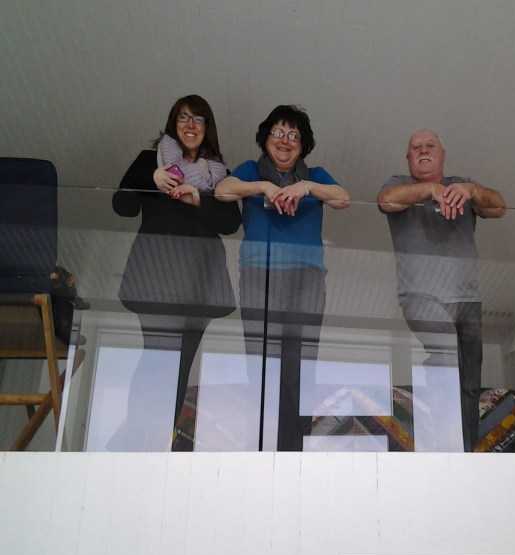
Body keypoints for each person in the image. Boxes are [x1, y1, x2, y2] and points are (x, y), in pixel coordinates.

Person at [215, 104, 349, 451]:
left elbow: (343, 198)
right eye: (279, 132)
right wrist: (263, 187)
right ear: (266, 138)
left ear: (302, 145)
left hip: (307, 277)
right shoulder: (249, 169)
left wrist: (305, 187)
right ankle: (260, 445)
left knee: (301, 366)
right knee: (261, 361)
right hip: (261, 272)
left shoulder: (315, 174)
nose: (285, 140)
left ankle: (292, 450)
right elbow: (222, 191)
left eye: (294, 135)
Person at [112, 95, 241, 451]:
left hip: (200, 279)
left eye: (198, 119)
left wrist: (199, 199)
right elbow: (121, 205)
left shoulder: (218, 174)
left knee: (181, 365)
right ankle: (140, 442)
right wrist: (152, 179)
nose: (190, 124)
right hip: (158, 275)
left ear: (206, 128)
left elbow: (231, 222)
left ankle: (155, 443)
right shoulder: (149, 161)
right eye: (183, 117)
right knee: (158, 358)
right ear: (173, 123)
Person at [377, 129, 506, 452]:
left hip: (468, 300)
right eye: (416, 147)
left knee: (469, 380)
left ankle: (463, 450)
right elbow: (386, 201)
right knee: (446, 350)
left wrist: (471, 190)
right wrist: (430, 189)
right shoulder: (398, 185)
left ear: (442, 155)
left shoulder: (462, 186)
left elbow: (499, 207)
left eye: (430, 146)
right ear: (408, 159)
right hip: (419, 296)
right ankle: (438, 442)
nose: (423, 150)